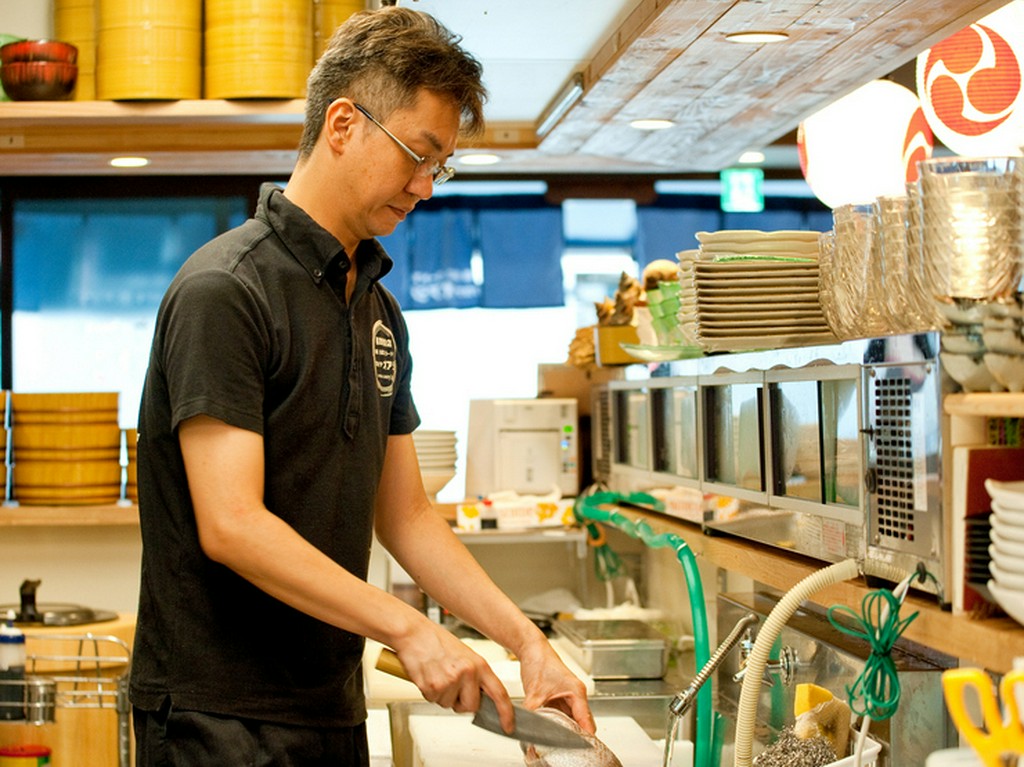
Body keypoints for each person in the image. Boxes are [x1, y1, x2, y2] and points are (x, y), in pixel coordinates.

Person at [128, 7, 593, 765]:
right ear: (343, 124)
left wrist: (524, 641)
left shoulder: (375, 307)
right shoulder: (227, 290)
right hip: (216, 721)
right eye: (419, 153)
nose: (427, 186)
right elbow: (232, 522)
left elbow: (406, 515)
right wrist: (410, 627)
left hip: (330, 709)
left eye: (440, 165)